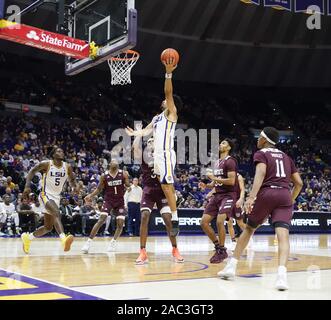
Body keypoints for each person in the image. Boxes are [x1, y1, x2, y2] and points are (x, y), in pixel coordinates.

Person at [218, 127, 303, 291]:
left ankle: (231, 267)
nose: (257, 141)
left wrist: (251, 197)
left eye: (259, 138)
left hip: (267, 193)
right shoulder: (286, 157)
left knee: (249, 229)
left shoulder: (262, 153)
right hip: (285, 194)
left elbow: (261, 172)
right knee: (283, 236)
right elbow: (299, 183)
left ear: (264, 140)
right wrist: (289, 200)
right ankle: (282, 277)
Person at [125, 57, 182, 237]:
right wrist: (135, 134)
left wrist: (168, 73)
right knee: (165, 185)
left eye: (167, 101)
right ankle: (174, 207)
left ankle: (175, 218)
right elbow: (146, 131)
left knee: (166, 186)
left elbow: (168, 92)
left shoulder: (172, 114)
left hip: (165, 154)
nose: (164, 101)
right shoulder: (157, 118)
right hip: (157, 155)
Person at [133, 136, 184, 265]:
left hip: (162, 191)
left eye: (153, 141)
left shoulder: (164, 157)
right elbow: (135, 148)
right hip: (149, 190)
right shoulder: (144, 157)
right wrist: (139, 134)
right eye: (149, 142)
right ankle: (143, 251)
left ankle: (175, 249)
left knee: (168, 219)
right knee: (144, 216)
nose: (150, 143)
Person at [21, 146, 80, 254]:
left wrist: (74, 187)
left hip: (56, 197)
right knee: (57, 212)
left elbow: (72, 179)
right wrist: (27, 186)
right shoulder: (46, 164)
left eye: (62, 150)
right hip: (45, 194)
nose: (61, 152)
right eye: (58, 151)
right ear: (53, 155)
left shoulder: (67, 167)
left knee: (48, 228)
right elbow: (32, 171)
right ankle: (63, 239)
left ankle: (27, 238)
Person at [199, 139, 238, 264]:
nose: (220, 145)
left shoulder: (231, 161)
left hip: (228, 195)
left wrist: (214, 178)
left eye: (224, 143)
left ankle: (221, 250)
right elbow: (216, 182)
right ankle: (218, 247)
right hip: (217, 195)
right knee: (204, 222)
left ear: (229, 148)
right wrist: (207, 186)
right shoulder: (217, 162)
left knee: (220, 220)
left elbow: (231, 181)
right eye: (220, 143)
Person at [81, 160, 130, 253]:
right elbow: (99, 189)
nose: (115, 162)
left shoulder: (123, 173)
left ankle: (113, 242)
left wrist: (129, 185)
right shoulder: (104, 176)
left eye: (116, 161)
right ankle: (88, 242)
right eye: (113, 161)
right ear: (109, 165)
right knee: (101, 219)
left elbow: (127, 184)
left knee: (120, 223)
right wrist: (90, 195)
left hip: (120, 201)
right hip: (109, 200)